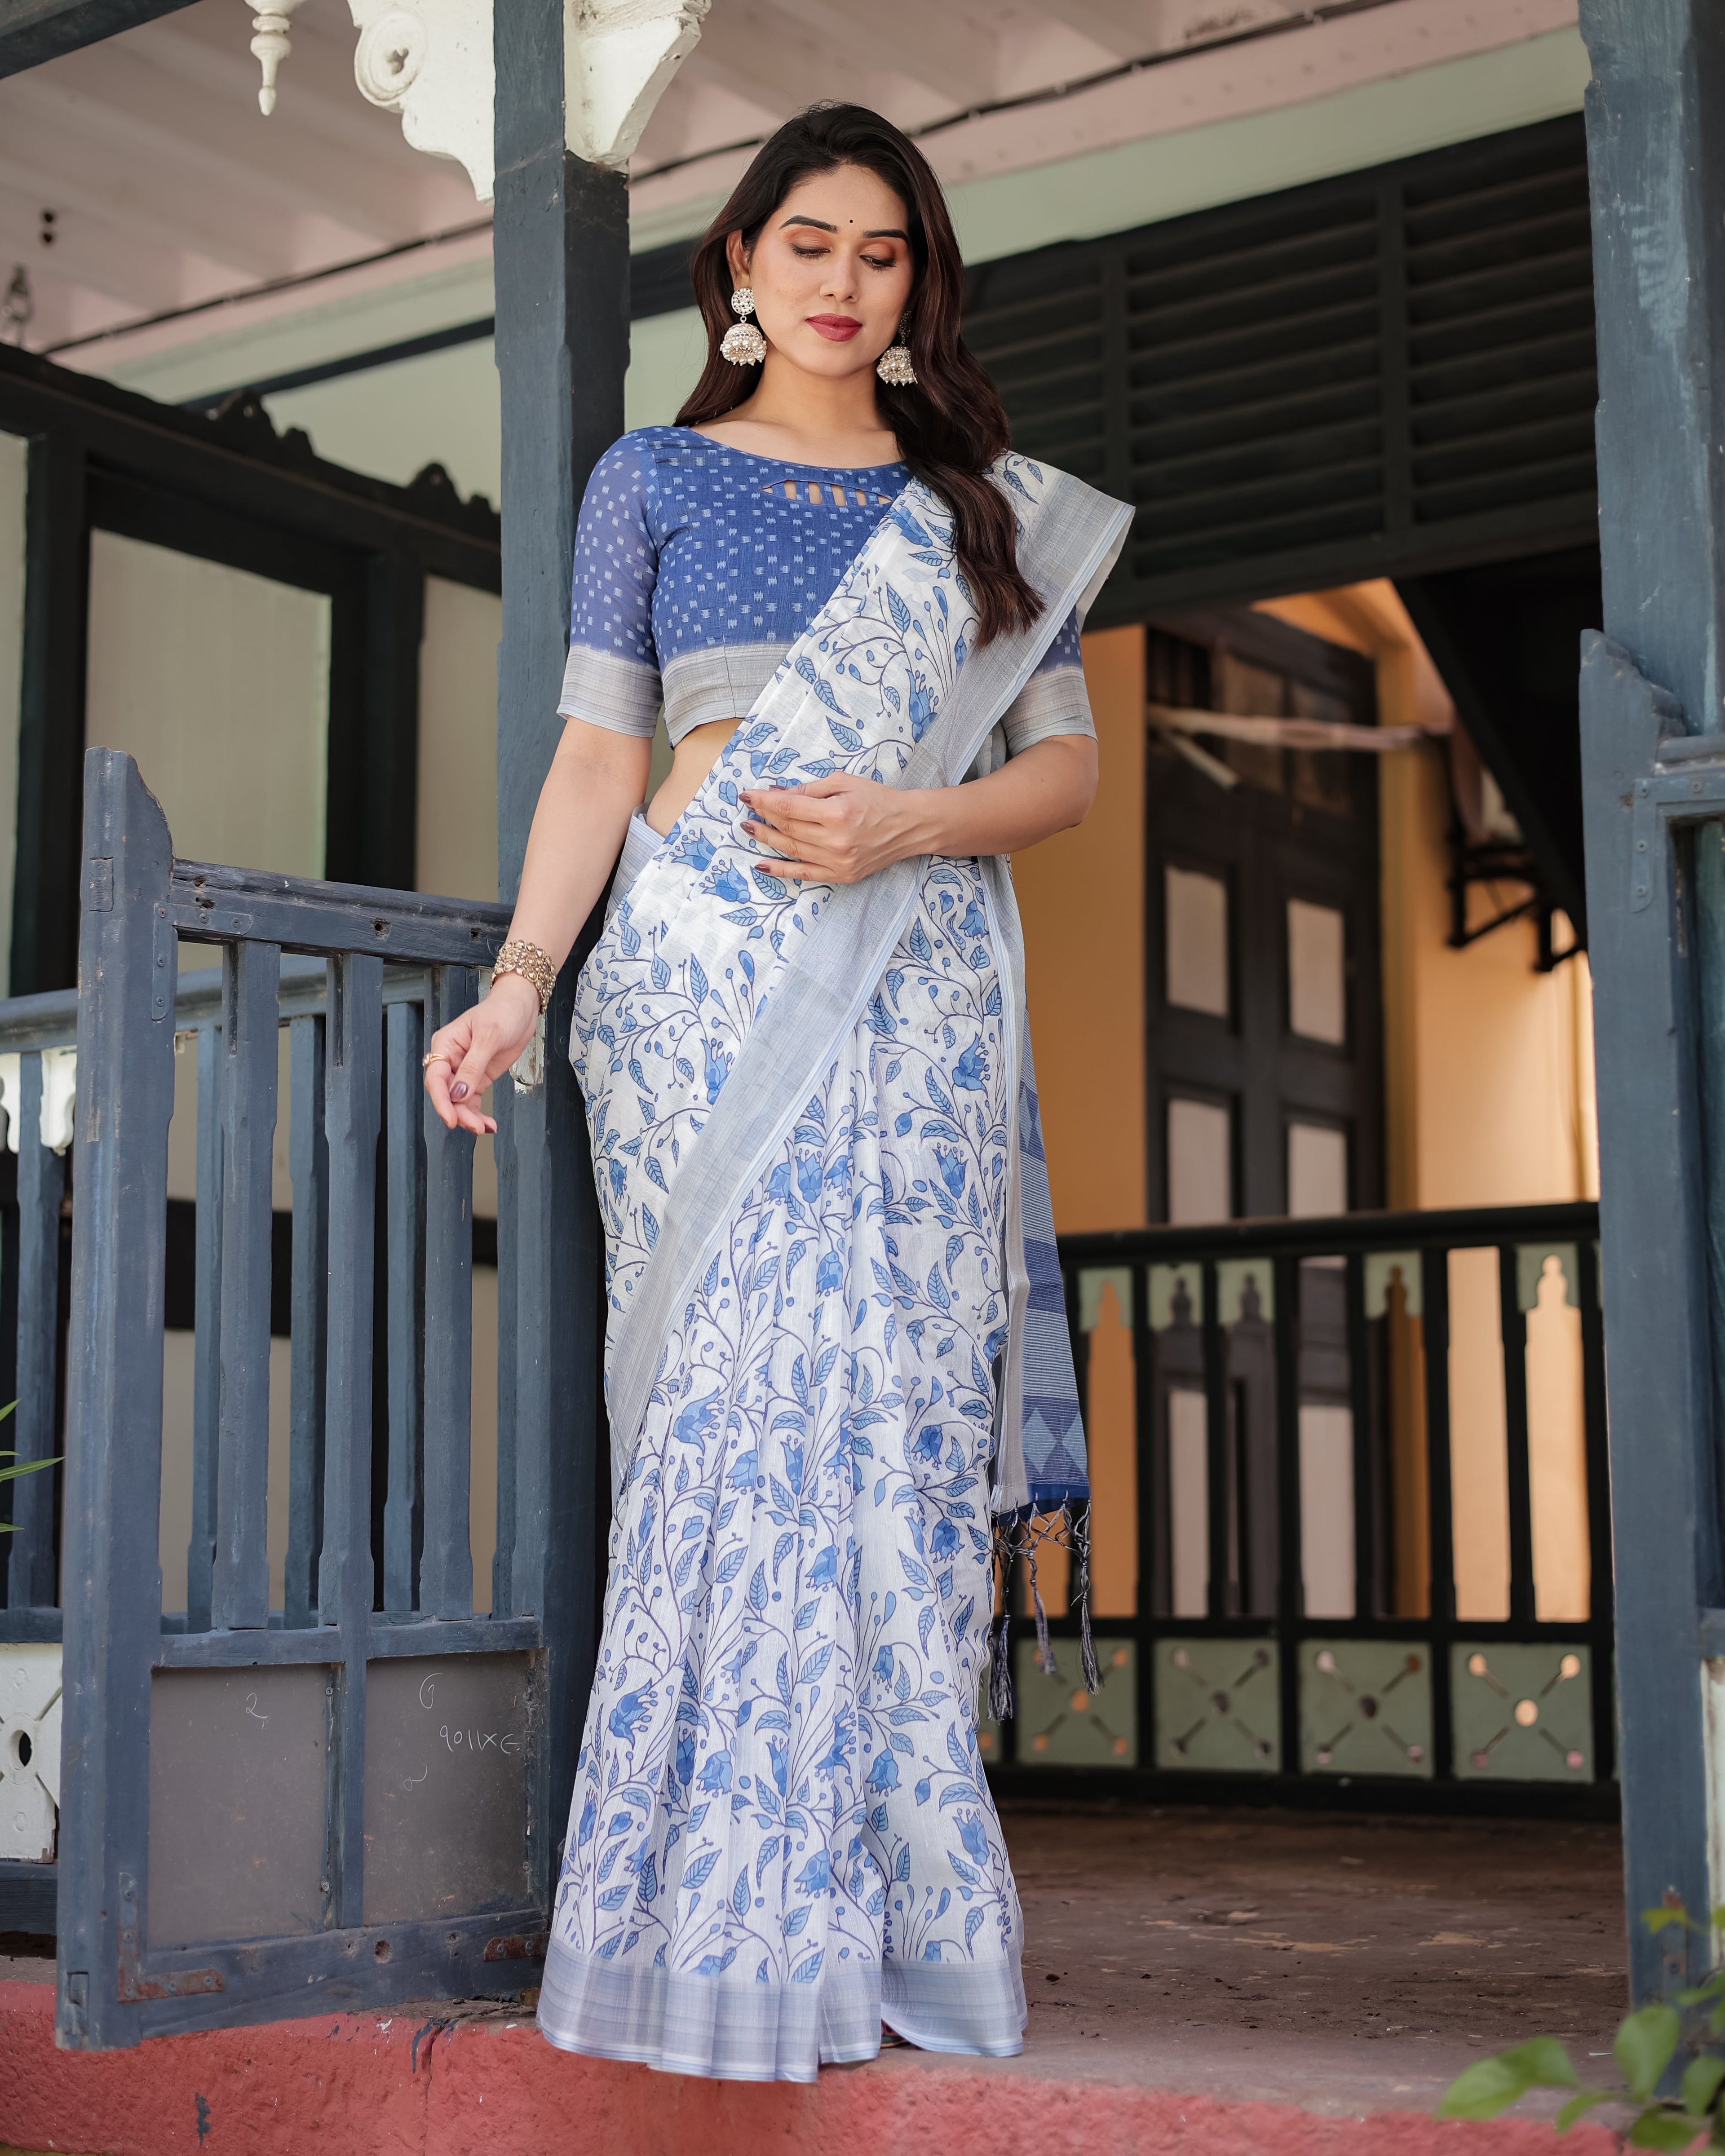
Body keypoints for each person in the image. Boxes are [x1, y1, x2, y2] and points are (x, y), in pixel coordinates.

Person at [423, 101, 1129, 2084]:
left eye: (881, 251)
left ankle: (889, 1916)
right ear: (736, 267)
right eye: (803, 243)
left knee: (886, 1430)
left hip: (911, 990)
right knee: (738, 1423)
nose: (839, 282)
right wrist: (520, 983)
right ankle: (710, 1923)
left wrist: (912, 819)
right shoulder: (648, 481)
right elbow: (593, 762)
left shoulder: (979, 500)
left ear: (919, 283)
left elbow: (1064, 775)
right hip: (694, 988)